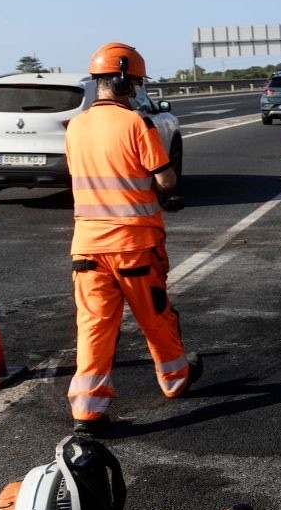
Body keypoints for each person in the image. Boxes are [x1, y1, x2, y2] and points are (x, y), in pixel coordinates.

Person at [65, 42, 201, 435]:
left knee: (94, 326)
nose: (138, 90)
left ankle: (87, 413)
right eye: (137, 83)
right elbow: (165, 178)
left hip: (87, 248)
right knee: (156, 318)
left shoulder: (76, 126)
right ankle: (175, 379)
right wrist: (162, 186)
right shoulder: (138, 124)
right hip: (134, 246)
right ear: (125, 82)